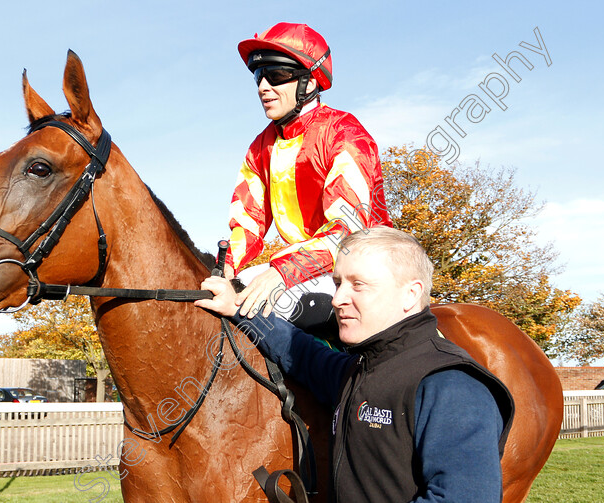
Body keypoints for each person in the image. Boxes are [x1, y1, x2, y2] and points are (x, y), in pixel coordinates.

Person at [197, 226, 514, 502]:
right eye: (337, 284)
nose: (336, 299)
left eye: (357, 285)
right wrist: (236, 306)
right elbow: (303, 354)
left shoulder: (451, 385)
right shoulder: (358, 371)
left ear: (411, 294)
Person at [225, 22, 393, 329]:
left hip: (361, 269)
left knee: (268, 307)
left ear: (311, 81)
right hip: (300, 268)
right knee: (228, 297)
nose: (263, 87)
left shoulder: (345, 134)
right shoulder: (260, 146)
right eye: (258, 76)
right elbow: (247, 221)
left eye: (275, 75)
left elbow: (347, 231)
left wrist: (281, 271)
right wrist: (223, 269)